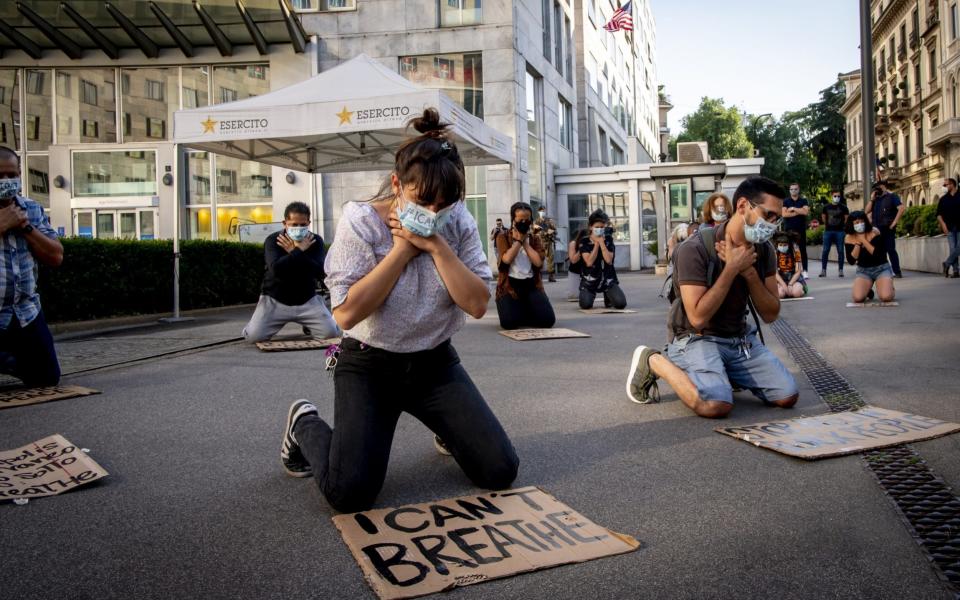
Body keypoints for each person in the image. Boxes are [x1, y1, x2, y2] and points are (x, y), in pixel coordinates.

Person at [279, 109, 518, 513]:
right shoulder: (361, 222)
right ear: (396, 184)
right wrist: (403, 250)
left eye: (444, 204)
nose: (433, 212)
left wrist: (436, 245)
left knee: (500, 470)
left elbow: (477, 303)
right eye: (423, 200)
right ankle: (303, 424)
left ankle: (449, 428)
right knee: (349, 493)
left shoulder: (455, 221)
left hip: (434, 363)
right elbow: (346, 314)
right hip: (370, 365)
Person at [625, 176, 798, 418]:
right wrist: (731, 269)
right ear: (742, 207)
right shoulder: (694, 250)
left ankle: (724, 371)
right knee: (716, 405)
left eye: (776, 218)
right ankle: (654, 360)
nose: (772, 224)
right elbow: (697, 318)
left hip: (738, 339)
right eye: (768, 215)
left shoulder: (764, 250)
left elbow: (770, 314)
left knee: (787, 395)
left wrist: (748, 272)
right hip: (696, 338)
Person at [0, 146, 63, 387]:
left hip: (24, 310)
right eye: (0, 176)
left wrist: (25, 227)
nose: (6, 181)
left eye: (11, 175)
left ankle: (10, 361)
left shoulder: (32, 209)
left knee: (46, 377)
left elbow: (55, 256)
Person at [242, 202, 340, 343]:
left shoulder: (315, 241)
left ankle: (309, 322)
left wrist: (294, 253)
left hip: (307, 299)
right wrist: (299, 251)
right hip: (275, 300)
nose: (299, 228)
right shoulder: (273, 240)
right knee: (253, 337)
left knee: (331, 333)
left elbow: (320, 271)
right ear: (285, 223)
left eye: (303, 224)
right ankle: (253, 325)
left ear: (309, 223)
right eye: (294, 224)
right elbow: (276, 270)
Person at [494, 202, 557, 329]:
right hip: (509, 285)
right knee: (509, 323)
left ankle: (527, 309)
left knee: (547, 321)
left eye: (527, 219)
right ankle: (518, 309)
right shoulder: (503, 237)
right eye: (520, 219)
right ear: (513, 219)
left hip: (531, 284)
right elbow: (506, 260)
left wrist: (525, 242)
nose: (523, 222)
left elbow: (538, 262)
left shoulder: (534, 239)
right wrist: (518, 241)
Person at [578, 209, 627, 309]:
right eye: (597, 227)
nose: (599, 229)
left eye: (602, 227)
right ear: (590, 227)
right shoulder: (584, 241)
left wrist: (602, 243)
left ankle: (608, 295)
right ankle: (590, 294)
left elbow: (609, 260)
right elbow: (589, 262)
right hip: (589, 281)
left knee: (620, 304)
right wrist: (596, 244)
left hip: (608, 279)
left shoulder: (608, 240)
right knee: (586, 305)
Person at [845, 210, 895, 303]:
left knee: (886, 297)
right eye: (856, 222)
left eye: (862, 221)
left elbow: (878, 255)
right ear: (852, 224)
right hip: (863, 271)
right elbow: (851, 261)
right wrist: (858, 243)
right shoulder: (849, 237)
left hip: (881, 268)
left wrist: (863, 240)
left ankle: (889, 286)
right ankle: (868, 289)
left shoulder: (874, 231)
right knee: (858, 298)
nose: (860, 224)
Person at [865, 180, 905, 278]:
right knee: (878, 251)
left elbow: (901, 208)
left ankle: (897, 271)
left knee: (891, 250)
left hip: (888, 228)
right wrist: (871, 199)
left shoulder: (892, 197)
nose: (877, 189)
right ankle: (881, 272)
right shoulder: (875, 199)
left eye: (879, 187)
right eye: (875, 188)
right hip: (876, 230)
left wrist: (895, 222)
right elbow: (866, 211)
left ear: (884, 186)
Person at [783, 183, 810, 276]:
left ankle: (805, 270)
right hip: (789, 230)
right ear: (789, 190)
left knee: (802, 250)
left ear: (798, 190)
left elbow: (806, 212)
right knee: (789, 250)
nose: (793, 191)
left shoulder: (803, 200)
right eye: (791, 189)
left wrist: (793, 209)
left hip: (801, 229)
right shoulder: (786, 201)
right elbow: (784, 214)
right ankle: (791, 270)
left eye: (795, 189)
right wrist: (799, 211)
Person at [819, 190, 849, 278]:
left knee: (840, 251)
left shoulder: (844, 207)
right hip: (828, 231)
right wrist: (827, 225)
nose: (837, 198)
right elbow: (824, 217)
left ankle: (841, 270)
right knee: (825, 251)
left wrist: (843, 226)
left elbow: (846, 218)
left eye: (839, 196)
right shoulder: (826, 207)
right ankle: (823, 270)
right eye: (835, 196)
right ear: (832, 196)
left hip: (840, 231)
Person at [937, 177, 960, 278]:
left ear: (952, 185)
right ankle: (955, 271)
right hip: (949, 227)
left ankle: (946, 263)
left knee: (958, 247)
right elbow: (939, 214)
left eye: (945, 185)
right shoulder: (943, 199)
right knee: (953, 248)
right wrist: (943, 225)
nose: (944, 187)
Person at [773, 232, 805, 298]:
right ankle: (785, 290)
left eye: (785, 245)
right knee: (780, 295)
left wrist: (790, 284)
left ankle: (803, 288)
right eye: (780, 245)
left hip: (795, 278)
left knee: (797, 293)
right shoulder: (774, 252)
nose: (782, 247)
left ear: (788, 245)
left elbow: (798, 271)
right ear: (777, 245)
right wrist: (784, 285)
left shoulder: (795, 250)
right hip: (781, 279)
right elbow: (775, 273)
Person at [535, 210, 558, 282]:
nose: (542, 212)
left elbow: (555, 231)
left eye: (543, 211)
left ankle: (551, 276)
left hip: (548, 242)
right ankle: (538, 277)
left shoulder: (549, 221)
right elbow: (533, 232)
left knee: (550, 260)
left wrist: (551, 232)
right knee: (539, 259)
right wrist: (542, 232)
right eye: (540, 211)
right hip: (540, 243)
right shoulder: (536, 221)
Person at [566, 228, 588, 301]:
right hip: (575, 271)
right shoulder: (573, 243)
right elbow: (573, 260)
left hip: (586, 271)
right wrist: (581, 249)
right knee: (574, 296)